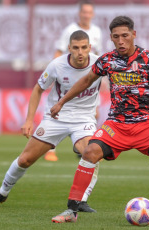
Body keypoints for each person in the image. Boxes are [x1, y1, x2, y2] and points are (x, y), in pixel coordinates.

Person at [50, 16, 149, 223]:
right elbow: (86, 81)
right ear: (111, 38)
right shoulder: (107, 60)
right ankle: (72, 210)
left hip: (147, 123)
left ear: (133, 35)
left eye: (125, 36)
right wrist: (62, 101)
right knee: (89, 152)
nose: (121, 40)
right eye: (116, 37)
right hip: (116, 124)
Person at [0, 30, 102, 212]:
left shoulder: (99, 64)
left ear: (90, 47)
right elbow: (38, 89)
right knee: (25, 160)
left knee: (91, 154)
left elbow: (123, 79)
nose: (80, 52)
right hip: (56, 118)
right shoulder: (57, 65)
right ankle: (2, 193)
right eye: (76, 48)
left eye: (84, 48)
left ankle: (81, 200)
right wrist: (29, 120)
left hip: (84, 119)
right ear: (68, 48)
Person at [45, 0, 102, 161]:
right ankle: (50, 150)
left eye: (89, 12)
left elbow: (98, 58)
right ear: (80, 13)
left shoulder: (97, 31)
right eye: (84, 12)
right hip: (68, 78)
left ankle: (83, 146)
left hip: (89, 80)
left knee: (94, 113)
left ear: (93, 14)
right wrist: (54, 72)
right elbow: (58, 52)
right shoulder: (70, 30)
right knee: (59, 111)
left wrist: (103, 81)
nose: (86, 15)